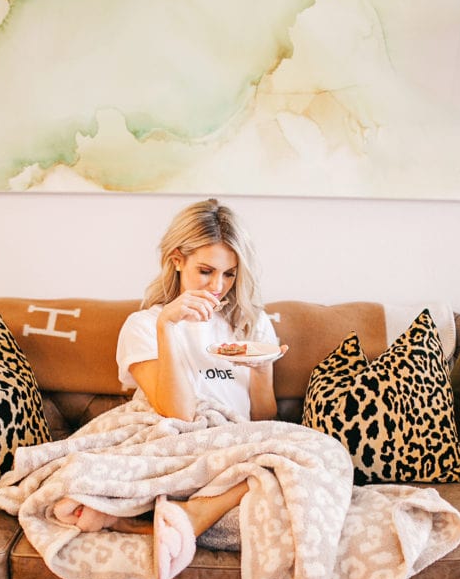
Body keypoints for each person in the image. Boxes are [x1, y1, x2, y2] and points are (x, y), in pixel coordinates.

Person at [54, 198, 287, 550]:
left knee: (306, 466)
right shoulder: (145, 325)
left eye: (229, 274)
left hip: (236, 448)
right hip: (179, 445)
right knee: (298, 466)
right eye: (206, 271)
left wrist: (262, 367)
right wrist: (168, 326)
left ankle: (176, 517)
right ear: (178, 260)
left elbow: (263, 418)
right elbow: (177, 414)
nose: (217, 287)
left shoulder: (253, 325)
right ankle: (191, 514)